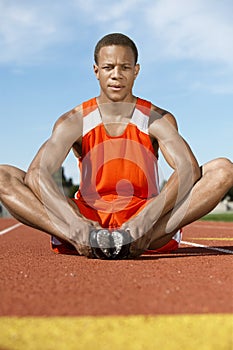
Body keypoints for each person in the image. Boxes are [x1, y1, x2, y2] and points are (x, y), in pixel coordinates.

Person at [0, 33, 232, 258]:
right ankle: (78, 237)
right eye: (109, 67)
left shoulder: (157, 119)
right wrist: (73, 223)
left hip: (146, 222)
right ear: (96, 71)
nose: (116, 75)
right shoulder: (74, 121)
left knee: (223, 169)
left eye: (125, 67)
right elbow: (36, 174)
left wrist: (146, 219)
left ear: (136, 71)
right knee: (3, 175)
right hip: (87, 221)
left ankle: (139, 239)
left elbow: (187, 169)